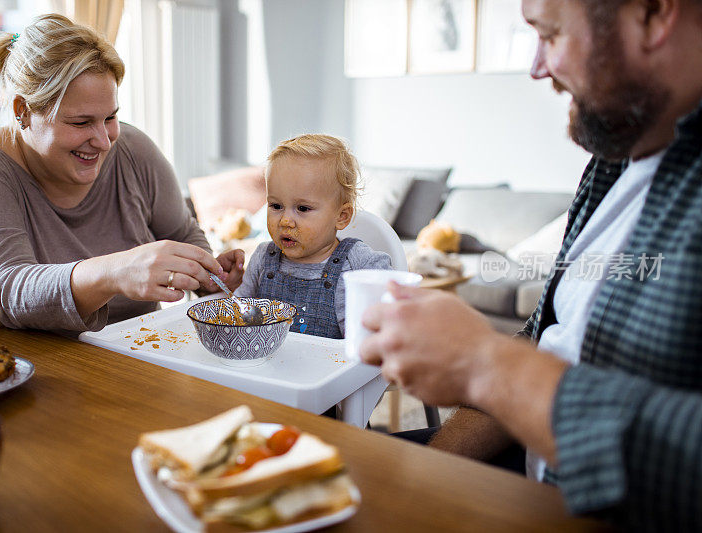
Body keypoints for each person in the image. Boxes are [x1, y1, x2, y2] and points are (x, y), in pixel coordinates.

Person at [359, 0, 702, 530]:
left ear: (655, 15)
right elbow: (546, 338)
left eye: (551, 33)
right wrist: (431, 469)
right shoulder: (614, 159)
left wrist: (483, 366)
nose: (537, 66)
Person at [0, 14, 243, 333]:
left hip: (135, 355)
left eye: (110, 117)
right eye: (80, 123)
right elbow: (7, 293)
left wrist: (211, 276)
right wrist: (116, 271)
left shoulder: (134, 150)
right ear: (22, 111)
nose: (103, 141)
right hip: (8, 367)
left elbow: (182, 234)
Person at [235, 134, 391, 339]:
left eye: (302, 208)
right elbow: (238, 310)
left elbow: (392, 292)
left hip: (333, 368)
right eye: (276, 206)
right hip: (267, 368)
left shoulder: (357, 262)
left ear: (341, 216)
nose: (285, 221)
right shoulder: (263, 258)